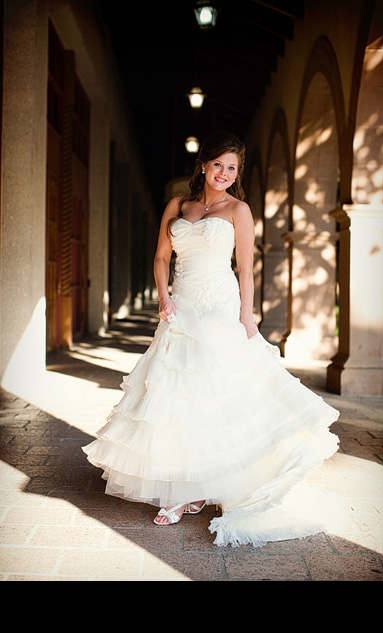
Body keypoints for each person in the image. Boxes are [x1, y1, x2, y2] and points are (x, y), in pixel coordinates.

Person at [84, 131, 341, 547]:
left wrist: (246, 316)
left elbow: (245, 267)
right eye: (218, 164)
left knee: (214, 392)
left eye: (232, 168)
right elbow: (162, 257)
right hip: (181, 304)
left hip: (219, 307)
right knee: (175, 393)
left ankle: (199, 487)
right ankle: (183, 487)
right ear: (204, 165)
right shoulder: (178, 206)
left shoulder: (239, 209)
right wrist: (164, 298)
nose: (224, 173)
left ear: (237, 174)